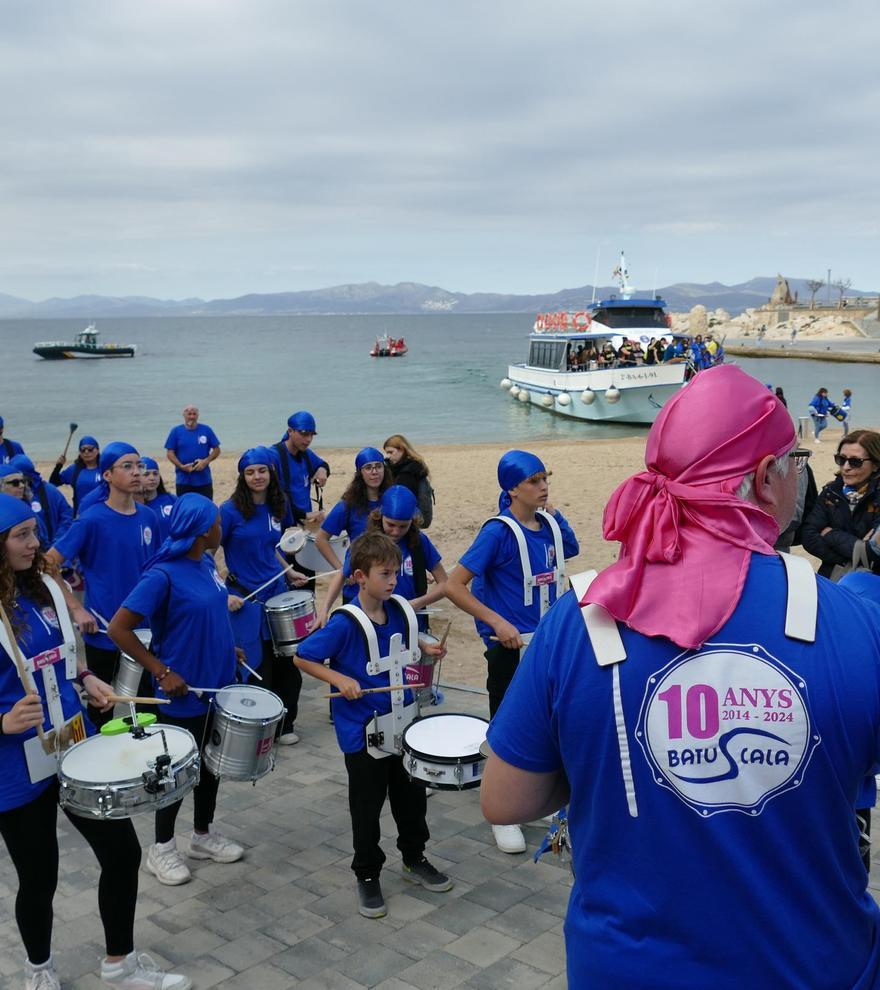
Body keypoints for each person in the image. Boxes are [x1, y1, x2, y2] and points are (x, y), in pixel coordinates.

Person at [480, 364, 880, 989]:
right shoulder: (853, 620)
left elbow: (507, 799)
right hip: (813, 964)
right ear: (765, 478)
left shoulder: (581, 619)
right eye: (795, 460)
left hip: (628, 969)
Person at [0, 494, 190, 990]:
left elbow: (67, 655)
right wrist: (0, 722)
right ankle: (39, 969)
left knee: (123, 854)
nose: (34, 543)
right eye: (21, 536)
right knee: (39, 877)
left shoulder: (44, 586)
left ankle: (120, 964)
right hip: (15, 768)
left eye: (33, 532)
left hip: (74, 742)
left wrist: (86, 678)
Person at [295, 531, 453, 919]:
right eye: (385, 574)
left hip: (404, 727)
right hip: (363, 736)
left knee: (412, 801)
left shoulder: (400, 610)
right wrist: (339, 680)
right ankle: (367, 874)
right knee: (366, 809)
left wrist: (426, 650)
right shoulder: (344, 624)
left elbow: (408, 648)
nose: (393, 580)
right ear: (359, 576)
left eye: (396, 573)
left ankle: (414, 858)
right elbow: (303, 656)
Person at [445, 450, 578, 854]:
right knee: (506, 727)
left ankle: (547, 801)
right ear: (512, 488)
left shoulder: (550, 523)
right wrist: (497, 622)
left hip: (549, 642)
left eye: (545, 479)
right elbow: (454, 585)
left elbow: (568, 550)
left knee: (554, 723)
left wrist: (554, 513)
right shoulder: (497, 533)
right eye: (535, 481)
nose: (543, 487)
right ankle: (504, 814)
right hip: (510, 647)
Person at [108, 495, 244, 887]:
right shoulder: (162, 575)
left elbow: (209, 612)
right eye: (217, 523)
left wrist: (226, 645)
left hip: (217, 681)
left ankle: (202, 835)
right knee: (176, 771)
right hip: (183, 691)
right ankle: (161, 848)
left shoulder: (203, 563)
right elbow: (119, 628)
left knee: (210, 764)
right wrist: (161, 670)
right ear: (204, 531)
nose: (222, 528)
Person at [46, 443, 156, 728]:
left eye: (139, 466)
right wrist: (76, 609)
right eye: (127, 466)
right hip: (104, 634)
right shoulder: (92, 519)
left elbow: (158, 568)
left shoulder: (149, 517)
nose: (136, 472)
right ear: (107, 475)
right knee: (104, 709)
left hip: (143, 632)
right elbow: (47, 564)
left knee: (141, 709)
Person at [220, 447, 306, 745]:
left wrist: (288, 571)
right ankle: (259, 730)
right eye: (250, 472)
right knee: (257, 667)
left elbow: (273, 547)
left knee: (290, 665)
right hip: (244, 600)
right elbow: (205, 552)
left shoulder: (277, 506)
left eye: (262, 471)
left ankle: (286, 723)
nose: (257, 477)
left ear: (271, 473)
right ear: (242, 476)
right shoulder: (229, 511)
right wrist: (222, 592)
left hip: (277, 596)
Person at [318, 485, 447, 624]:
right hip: (372, 620)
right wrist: (324, 609)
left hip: (410, 619)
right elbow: (341, 575)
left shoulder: (420, 542)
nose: (396, 532)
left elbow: (445, 583)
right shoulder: (367, 543)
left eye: (403, 526)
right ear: (379, 516)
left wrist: (416, 604)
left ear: (413, 521)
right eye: (390, 524)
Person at [801, 429, 880, 579]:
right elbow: (808, 536)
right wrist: (850, 559)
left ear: (875, 464)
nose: (846, 467)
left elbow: (874, 553)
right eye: (841, 459)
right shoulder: (831, 492)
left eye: (855, 461)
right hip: (832, 577)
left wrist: (830, 534)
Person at [315, 447, 391, 571]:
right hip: (359, 576)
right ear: (360, 473)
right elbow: (321, 539)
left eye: (378, 466)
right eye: (368, 468)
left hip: (390, 573)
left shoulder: (393, 499)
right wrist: (341, 569)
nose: (374, 471)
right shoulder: (348, 505)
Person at [270, 411, 329, 526]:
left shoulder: (305, 454)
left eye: (312, 434)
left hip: (305, 523)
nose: (308, 439)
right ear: (290, 431)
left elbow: (323, 464)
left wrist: (322, 470)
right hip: (284, 525)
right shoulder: (275, 456)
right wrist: (305, 515)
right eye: (304, 434)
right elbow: (273, 497)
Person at [10, 456, 72, 551]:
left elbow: (67, 516)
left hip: (54, 548)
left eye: (22, 480)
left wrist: (57, 542)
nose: (21, 485)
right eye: (15, 482)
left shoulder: (50, 491)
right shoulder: (12, 498)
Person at [164, 405, 221, 499]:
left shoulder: (206, 430)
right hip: (183, 480)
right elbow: (170, 453)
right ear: (184, 415)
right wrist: (181, 466)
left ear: (197, 415)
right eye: (189, 414)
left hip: (204, 479)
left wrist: (205, 461)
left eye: (194, 414)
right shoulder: (176, 431)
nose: (192, 416)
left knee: (205, 507)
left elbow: (217, 449)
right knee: (185, 508)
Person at [383, 435, 433, 527]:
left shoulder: (408, 473)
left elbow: (400, 500)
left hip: (407, 519)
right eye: (387, 453)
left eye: (390, 452)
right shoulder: (416, 466)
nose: (388, 457)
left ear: (402, 449)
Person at [49, 435, 102, 515]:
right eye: (83, 450)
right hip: (80, 514)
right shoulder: (74, 469)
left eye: (90, 449)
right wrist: (58, 466)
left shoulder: (105, 468)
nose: (86, 452)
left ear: (97, 450)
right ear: (80, 453)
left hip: (101, 514)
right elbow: (54, 482)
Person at [139, 456, 176, 543]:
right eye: (146, 474)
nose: (152, 478)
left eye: (155, 473)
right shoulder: (133, 505)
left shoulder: (171, 499)